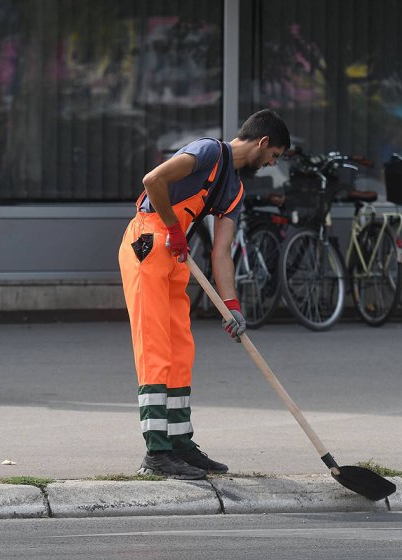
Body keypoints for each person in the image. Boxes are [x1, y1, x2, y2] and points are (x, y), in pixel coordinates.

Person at [119, 109, 290, 479]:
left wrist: (232, 306)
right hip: (147, 243)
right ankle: (157, 452)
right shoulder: (209, 151)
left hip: (175, 253)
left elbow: (221, 252)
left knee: (180, 349)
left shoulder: (235, 189)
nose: (271, 163)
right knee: (155, 348)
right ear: (262, 143)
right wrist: (172, 227)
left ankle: (180, 444)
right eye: (274, 155)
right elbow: (153, 180)